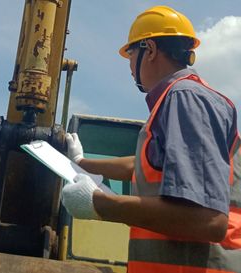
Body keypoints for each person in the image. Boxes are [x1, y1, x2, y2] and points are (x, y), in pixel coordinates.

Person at [62, 5, 241, 273]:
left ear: (151, 50)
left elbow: (208, 220)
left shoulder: (185, 98)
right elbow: (143, 166)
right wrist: (82, 162)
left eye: (131, 55)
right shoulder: (177, 100)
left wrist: (100, 204)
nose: (130, 68)